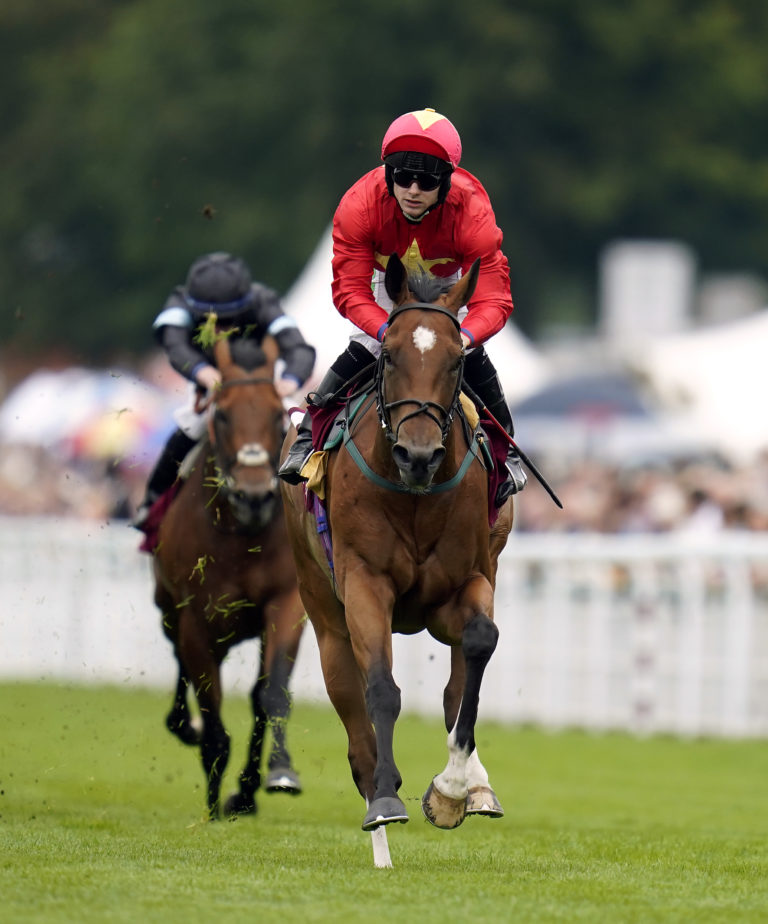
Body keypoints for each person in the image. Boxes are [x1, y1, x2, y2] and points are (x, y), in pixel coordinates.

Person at [278, 107, 527, 505]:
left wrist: (460, 338)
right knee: (371, 348)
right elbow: (349, 291)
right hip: (390, 283)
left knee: (469, 353)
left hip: (448, 285)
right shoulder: (359, 205)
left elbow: (494, 298)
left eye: (426, 180)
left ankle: (506, 449)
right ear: (388, 173)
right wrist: (386, 332)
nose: (412, 189)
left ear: (447, 182)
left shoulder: (474, 211)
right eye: (402, 176)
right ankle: (309, 434)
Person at [133, 251, 316, 529]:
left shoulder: (263, 300)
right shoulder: (179, 302)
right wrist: (202, 372)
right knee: (189, 428)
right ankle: (153, 503)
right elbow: (174, 344)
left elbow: (298, 348)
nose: (222, 327)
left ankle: (318, 509)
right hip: (214, 386)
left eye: (230, 318)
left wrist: (290, 380)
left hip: (266, 383)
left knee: (301, 431)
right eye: (213, 320)